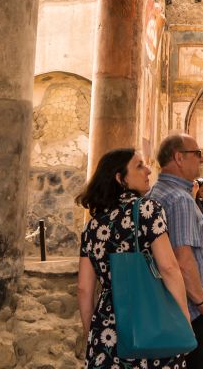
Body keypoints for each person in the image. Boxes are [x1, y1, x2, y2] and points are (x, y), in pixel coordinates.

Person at [76, 148, 189, 369]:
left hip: (107, 330)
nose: (148, 170)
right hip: (151, 321)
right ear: (121, 179)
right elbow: (168, 267)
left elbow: (83, 288)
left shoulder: (93, 225)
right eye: (139, 166)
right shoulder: (148, 210)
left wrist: (93, 332)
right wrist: (183, 318)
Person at [149, 134, 203, 369]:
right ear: (179, 157)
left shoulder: (155, 193)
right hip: (195, 315)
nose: (202, 160)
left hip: (168, 310)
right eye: (197, 154)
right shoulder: (179, 199)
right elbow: (181, 260)